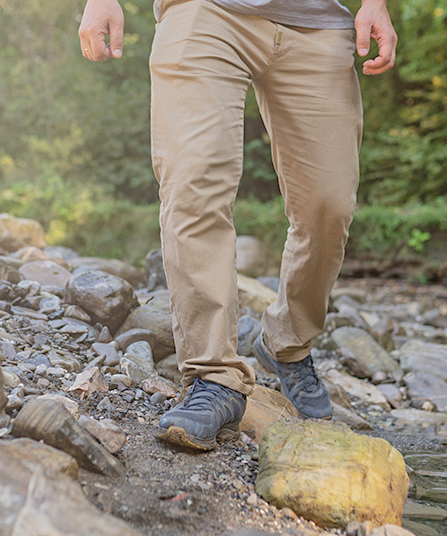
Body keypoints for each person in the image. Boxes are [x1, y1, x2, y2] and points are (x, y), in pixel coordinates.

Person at [79, 0, 397, 450]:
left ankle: (288, 341)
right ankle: (213, 377)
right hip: (203, 11)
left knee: (329, 205)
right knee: (194, 183)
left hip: (316, 20)